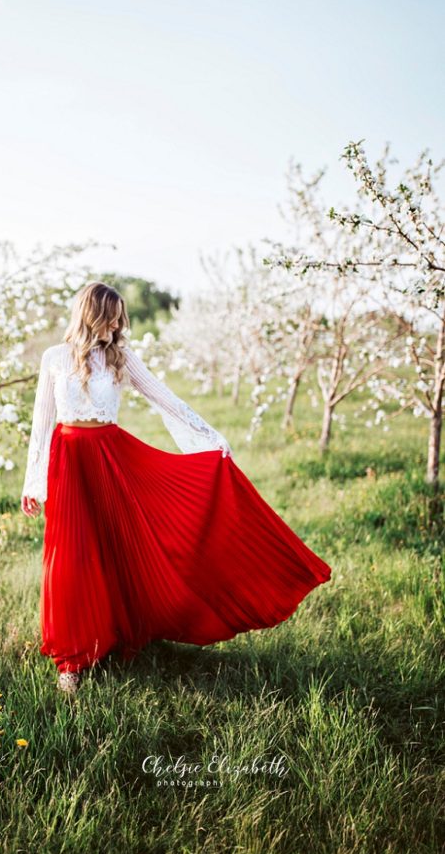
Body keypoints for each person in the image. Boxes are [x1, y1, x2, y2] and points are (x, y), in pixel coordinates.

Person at [20, 281, 332, 695]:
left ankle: (115, 631)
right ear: (90, 313)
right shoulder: (55, 358)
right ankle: (72, 658)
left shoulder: (120, 357)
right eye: (109, 316)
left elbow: (164, 398)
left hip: (112, 459)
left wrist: (209, 437)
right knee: (71, 556)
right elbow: (41, 424)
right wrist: (33, 481)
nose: (116, 325)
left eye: (119, 318)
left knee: (118, 548)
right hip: (69, 463)